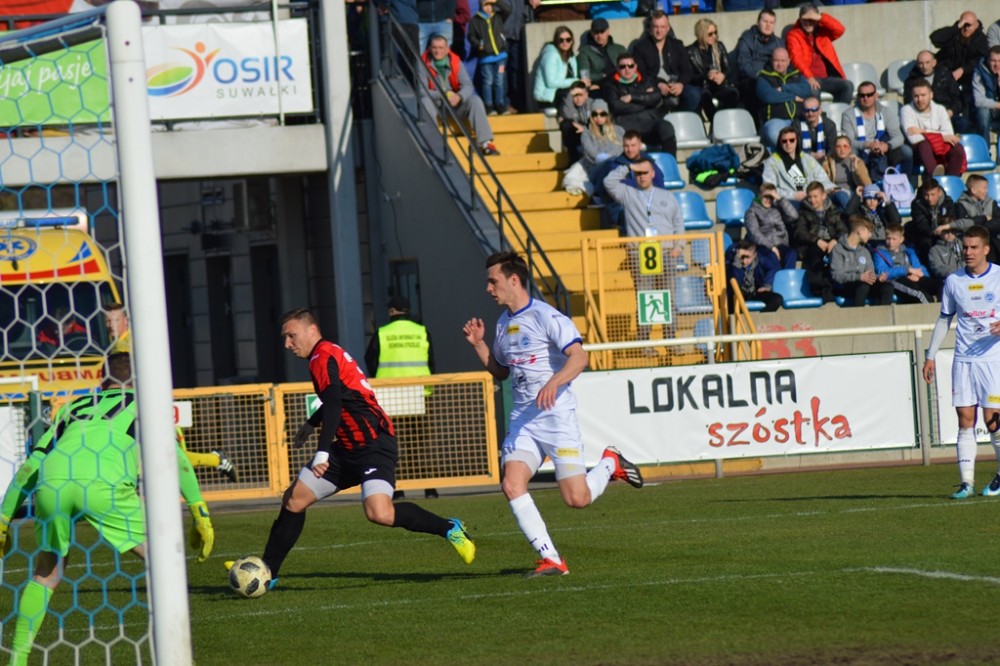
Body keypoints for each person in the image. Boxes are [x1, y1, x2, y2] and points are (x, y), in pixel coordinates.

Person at [0, 352, 215, 664]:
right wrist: (200, 512)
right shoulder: (147, 405)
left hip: (51, 484)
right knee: (163, 558)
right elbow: (177, 458)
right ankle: (176, 656)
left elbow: (31, 465)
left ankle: (17, 660)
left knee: (47, 570)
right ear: (140, 380)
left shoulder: (73, 406)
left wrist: (4, 518)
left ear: (102, 381)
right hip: (102, 484)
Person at [244, 309, 476, 589]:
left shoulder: (322, 357)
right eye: (285, 338)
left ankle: (449, 528)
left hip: (373, 444)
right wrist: (311, 423)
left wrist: (322, 451)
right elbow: (341, 397)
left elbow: (334, 403)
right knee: (294, 499)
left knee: (379, 513)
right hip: (346, 448)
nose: (287, 344)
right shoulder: (326, 354)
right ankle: (267, 572)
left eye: (291, 336)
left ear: (312, 330)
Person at [462, 251, 643, 577]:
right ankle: (552, 559)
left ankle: (610, 463)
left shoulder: (547, 316)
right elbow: (501, 371)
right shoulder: (502, 324)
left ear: (513, 280)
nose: (488, 288)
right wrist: (479, 345)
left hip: (556, 416)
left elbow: (579, 357)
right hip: (523, 420)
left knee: (577, 499)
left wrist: (554, 382)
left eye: (493, 281)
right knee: (511, 484)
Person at [102, 303, 238, 483]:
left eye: (115, 320)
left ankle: (215, 461)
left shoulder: (130, 343)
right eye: (108, 321)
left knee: (171, 455)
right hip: (134, 405)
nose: (111, 325)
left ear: (125, 320)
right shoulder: (117, 344)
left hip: (147, 403)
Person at [922, 225, 1000, 499]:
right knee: (965, 420)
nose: (968, 252)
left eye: (974, 247)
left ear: (986, 249)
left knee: (994, 422)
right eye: (965, 247)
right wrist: (930, 356)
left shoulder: (999, 276)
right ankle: (966, 482)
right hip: (964, 360)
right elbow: (945, 318)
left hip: (993, 360)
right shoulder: (954, 281)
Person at [364, 296, 438, 500]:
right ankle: (429, 488)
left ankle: (397, 488)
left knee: (392, 444)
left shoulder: (382, 333)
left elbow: (370, 359)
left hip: (390, 396)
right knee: (420, 444)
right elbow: (431, 362)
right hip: (419, 395)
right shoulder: (422, 331)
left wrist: (381, 381)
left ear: (392, 311)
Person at [420, 34, 500, 156]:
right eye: (434, 47)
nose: (437, 51)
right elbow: (422, 90)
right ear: (430, 48)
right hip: (435, 103)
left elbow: (468, 85)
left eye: (441, 48)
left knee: (475, 100)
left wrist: (459, 97)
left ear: (447, 49)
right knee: (425, 101)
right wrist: (442, 95)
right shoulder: (422, 63)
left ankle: (486, 143)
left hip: (454, 103)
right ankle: (433, 144)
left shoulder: (456, 61)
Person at [839, 81, 912, 183]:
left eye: (869, 95)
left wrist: (887, 146)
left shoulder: (885, 112)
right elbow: (848, 141)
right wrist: (868, 145)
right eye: (862, 95)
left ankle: (904, 185)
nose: (866, 98)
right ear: (858, 97)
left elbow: (898, 137)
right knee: (851, 152)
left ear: (876, 95)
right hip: (861, 150)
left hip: (883, 149)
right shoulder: (848, 115)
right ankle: (861, 186)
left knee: (906, 151)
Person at [603, 53, 677, 154]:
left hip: (649, 123)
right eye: (622, 66)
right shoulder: (611, 85)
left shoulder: (646, 80)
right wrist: (645, 102)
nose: (627, 69)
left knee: (666, 127)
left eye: (630, 66)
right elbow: (616, 106)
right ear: (617, 68)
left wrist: (632, 97)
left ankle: (670, 161)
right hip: (626, 125)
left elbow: (656, 97)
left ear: (635, 67)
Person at [630, 10, 699, 114]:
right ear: (650, 28)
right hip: (655, 86)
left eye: (662, 27)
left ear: (668, 28)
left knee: (694, 94)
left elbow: (687, 70)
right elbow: (640, 73)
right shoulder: (640, 47)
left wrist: (680, 84)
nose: (659, 30)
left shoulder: (677, 45)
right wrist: (658, 84)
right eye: (655, 27)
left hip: (675, 84)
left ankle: (679, 116)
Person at [785, 3, 853, 104]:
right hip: (807, 79)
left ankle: (841, 112)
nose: (808, 23)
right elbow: (796, 58)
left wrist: (821, 17)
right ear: (800, 19)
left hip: (827, 78)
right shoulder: (793, 35)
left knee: (848, 86)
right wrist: (810, 77)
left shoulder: (822, 32)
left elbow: (840, 29)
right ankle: (817, 114)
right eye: (805, 20)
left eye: (811, 19)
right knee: (813, 90)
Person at [900, 79, 966, 181]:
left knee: (957, 149)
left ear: (931, 95)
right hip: (918, 152)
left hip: (940, 148)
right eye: (916, 96)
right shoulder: (906, 110)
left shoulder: (940, 109)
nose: (919, 99)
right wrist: (941, 137)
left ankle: (951, 182)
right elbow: (914, 139)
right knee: (924, 144)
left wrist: (923, 131)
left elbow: (949, 134)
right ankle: (934, 179)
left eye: (923, 95)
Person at [794, 180, 846, 302]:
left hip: (831, 242)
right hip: (812, 244)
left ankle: (842, 288)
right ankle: (823, 291)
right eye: (810, 197)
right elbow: (799, 232)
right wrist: (817, 240)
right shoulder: (803, 212)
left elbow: (843, 230)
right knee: (816, 258)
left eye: (815, 196)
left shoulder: (833, 210)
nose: (812, 200)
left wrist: (835, 240)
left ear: (823, 196)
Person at [562, 99, 623, 196]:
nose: (598, 117)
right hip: (595, 167)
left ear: (607, 115)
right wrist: (607, 158)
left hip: (615, 165)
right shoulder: (586, 133)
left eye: (602, 114)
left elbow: (620, 148)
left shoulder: (619, 131)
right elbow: (591, 153)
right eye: (595, 114)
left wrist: (610, 158)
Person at [829, 215, 893, 306]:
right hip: (845, 286)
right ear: (859, 231)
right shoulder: (838, 249)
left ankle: (881, 314)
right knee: (863, 287)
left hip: (864, 284)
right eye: (869, 231)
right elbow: (837, 276)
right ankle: (858, 314)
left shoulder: (864, 251)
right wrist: (859, 277)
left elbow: (870, 274)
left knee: (887, 287)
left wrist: (878, 277)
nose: (870, 235)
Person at [762, 126, 834, 205]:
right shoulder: (771, 162)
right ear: (780, 142)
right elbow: (769, 189)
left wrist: (832, 188)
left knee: (839, 196)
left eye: (792, 140)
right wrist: (793, 195)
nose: (788, 143)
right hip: (789, 202)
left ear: (797, 141)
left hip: (811, 198)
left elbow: (822, 179)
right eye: (784, 141)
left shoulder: (806, 158)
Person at [756, 47, 812, 149]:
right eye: (776, 60)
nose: (780, 64)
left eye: (783, 61)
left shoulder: (796, 74)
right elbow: (768, 96)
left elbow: (806, 90)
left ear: (788, 61)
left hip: (798, 120)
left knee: (811, 138)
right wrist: (793, 97)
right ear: (771, 61)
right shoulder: (763, 77)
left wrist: (784, 88)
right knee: (778, 138)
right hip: (775, 121)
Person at [686, 17, 740, 121]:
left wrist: (722, 75)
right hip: (703, 87)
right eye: (710, 34)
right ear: (701, 34)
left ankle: (725, 120)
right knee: (704, 95)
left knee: (733, 93)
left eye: (715, 32)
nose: (714, 36)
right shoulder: (690, 52)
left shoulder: (719, 46)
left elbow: (728, 69)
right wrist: (707, 76)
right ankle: (716, 121)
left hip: (718, 85)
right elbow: (690, 77)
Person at [904, 50, 971, 133]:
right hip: (922, 116)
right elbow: (909, 101)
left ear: (934, 63)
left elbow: (956, 97)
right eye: (921, 63)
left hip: (946, 113)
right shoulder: (911, 81)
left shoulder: (945, 75)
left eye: (927, 62)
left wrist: (951, 111)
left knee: (963, 124)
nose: (924, 66)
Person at [872, 223, 939, 304]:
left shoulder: (909, 250)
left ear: (901, 239)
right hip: (896, 280)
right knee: (920, 295)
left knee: (940, 286)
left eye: (894, 239)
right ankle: (932, 311)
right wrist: (907, 270)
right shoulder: (880, 252)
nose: (890, 242)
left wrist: (918, 275)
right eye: (888, 239)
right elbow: (882, 271)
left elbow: (919, 267)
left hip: (913, 277)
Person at [734, 9, 784, 117]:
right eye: (765, 21)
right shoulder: (747, 40)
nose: (768, 25)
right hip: (753, 79)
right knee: (753, 87)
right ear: (758, 22)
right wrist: (759, 78)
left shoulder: (779, 43)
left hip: (774, 79)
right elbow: (744, 65)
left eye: (771, 22)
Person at [467, 0, 513, 116]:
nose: (488, 8)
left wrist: (496, 1)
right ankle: (488, 105)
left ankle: (500, 104)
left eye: (490, 5)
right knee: (488, 81)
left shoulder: (498, 17)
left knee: (499, 80)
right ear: (480, 6)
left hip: (500, 56)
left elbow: (508, 10)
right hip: (485, 57)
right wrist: (479, 44)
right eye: (485, 5)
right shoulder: (475, 20)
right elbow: (470, 36)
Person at [930, 11, 988, 95]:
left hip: (969, 76)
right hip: (947, 74)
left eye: (969, 25)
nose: (966, 28)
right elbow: (935, 38)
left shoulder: (980, 39)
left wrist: (963, 69)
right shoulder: (953, 34)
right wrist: (956, 27)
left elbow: (981, 58)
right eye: (964, 25)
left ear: (976, 25)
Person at [742, 182, 798, 270]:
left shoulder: (777, 208)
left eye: (771, 197)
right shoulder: (751, 211)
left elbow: (794, 216)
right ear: (759, 195)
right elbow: (754, 233)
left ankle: (786, 277)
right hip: (763, 246)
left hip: (780, 244)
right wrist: (771, 247)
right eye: (766, 196)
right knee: (772, 257)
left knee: (791, 253)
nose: (768, 200)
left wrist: (780, 199)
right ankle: (778, 277)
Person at [906, 178, 957, 265]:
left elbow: (950, 220)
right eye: (926, 195)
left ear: (939, 192)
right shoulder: (917, 204)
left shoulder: (948, 202)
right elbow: (922, 226)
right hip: (925, 235)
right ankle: (930, 267)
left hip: (944, 231)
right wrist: (936, 232)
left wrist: (944, 231)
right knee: (926, 243)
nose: (929, 198)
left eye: (933, 194)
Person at [726, 240, 783, 312]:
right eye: (742, 257)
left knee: (777, 299)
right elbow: (737, 283)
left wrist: (767, 285)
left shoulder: (760, 260)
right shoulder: (733, 263)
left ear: (754, 255)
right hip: (737, 294)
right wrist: (737, 261)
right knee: (733, 304)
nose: (744, 261)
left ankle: (761, 317)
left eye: (747, 257)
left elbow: (772, 269)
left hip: (754, 292)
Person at [575, 18, 626, 98]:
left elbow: (630, 66)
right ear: (592, 33)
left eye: (602, 32)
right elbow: (584, 75)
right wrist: (602, 76)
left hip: (621, 83)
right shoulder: (585, 51)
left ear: (608, 31)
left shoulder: (619, 49)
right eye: (596, 33)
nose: (599, 36)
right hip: (599, 85)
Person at [952, 173, 1000, 257]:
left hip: (992, 241)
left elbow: (998, 222)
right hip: (972, 245)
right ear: (973, 190)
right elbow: (965, 226)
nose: (986, 191)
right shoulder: (961, 205)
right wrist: (984, 219)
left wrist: (976, 222)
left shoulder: (991, 202)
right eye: (984, 188)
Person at [823, 134, 872, 212]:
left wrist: (857, 169)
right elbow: (823, 183)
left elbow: (868, 184)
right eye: (838, 146)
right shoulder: (827, 163)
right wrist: (831, 189)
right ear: (834, 148)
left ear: (850, 149)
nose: (842, 150)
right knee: (840, 195)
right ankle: (852, 215)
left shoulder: (857, 162)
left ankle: (847, 215)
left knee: (841, 207)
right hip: (834, 193)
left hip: (853, 194)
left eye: (845, 146)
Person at [533, 26, 578, 109]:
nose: (565, 42)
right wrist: (576, 81)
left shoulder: (571, 56)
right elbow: (551, 82)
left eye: (568, 40)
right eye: (561, 40)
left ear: (572, 41)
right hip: (549, 97)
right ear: (556, 41)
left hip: (564, 93)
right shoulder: (551, 55)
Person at [845, 183, 901, 248]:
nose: (872, 201)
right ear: (864, 200)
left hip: (885, 243)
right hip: (868, 244)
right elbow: (848, 213)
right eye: (869, 198)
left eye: (874, 199)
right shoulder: (859, 212)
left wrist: (887, 201)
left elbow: (897, 221)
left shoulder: (883, 211)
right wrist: (857, 196)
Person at [971, 46, 1000, 146]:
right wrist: (997, 105)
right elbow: (979, 101)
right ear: (988, 60)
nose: (997, 64)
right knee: (983, 113)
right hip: (987, 110)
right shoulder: (979, 73)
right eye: (993, 61)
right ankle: (985, 149)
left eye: (999, 61)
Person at [558, 81, 593, 162]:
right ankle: (573, 159)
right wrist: (570, 94)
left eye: (580, 95)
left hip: (592, 135)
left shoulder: (592, 104)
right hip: (577, 134)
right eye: (575, 96)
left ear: (586, 95)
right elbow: (568, 115)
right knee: (566, 124)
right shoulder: (569, 104)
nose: (578, 99)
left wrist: (584, 129)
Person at [796, 95, 835, 162]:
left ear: (820, 110)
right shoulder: (796, 126)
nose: (810, 113)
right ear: (803, 112)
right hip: (803, 160)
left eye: (814, 110)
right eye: (807, 110)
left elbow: (832, 148)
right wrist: (809, 155)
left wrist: (825, 157)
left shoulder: (829, 125)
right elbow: (795, 148)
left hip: (825, 160)